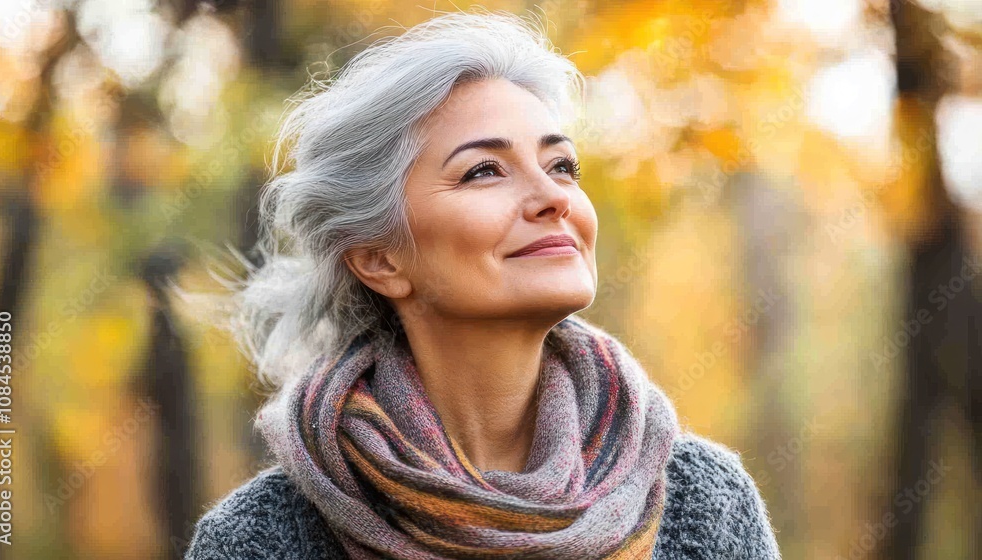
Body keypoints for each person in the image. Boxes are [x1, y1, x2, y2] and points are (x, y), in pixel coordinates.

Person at [184, 9, 781, 559]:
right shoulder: (262, 538)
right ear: (379, 259)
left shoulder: (703, 502)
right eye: (483, 171)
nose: (552, 197)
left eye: (561, 165)